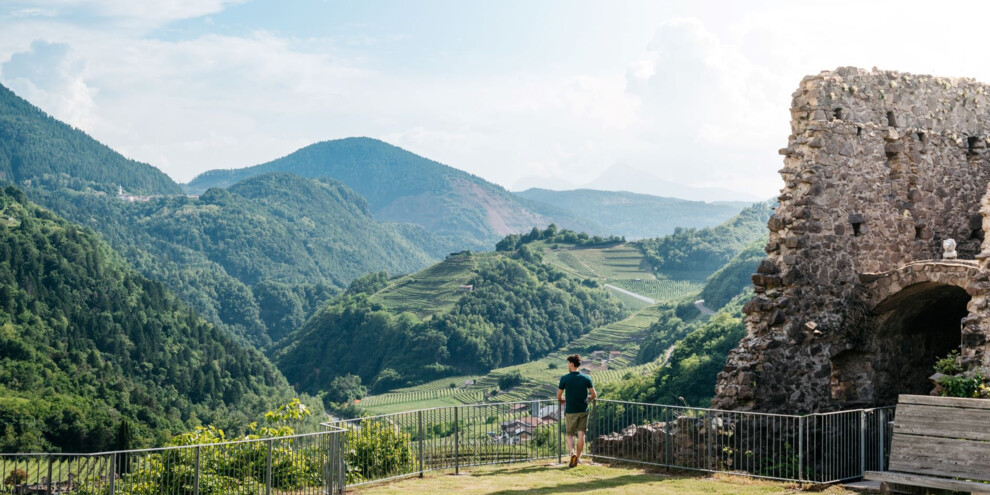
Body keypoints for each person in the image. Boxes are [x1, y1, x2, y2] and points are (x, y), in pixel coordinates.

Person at [556, 354, 596, 468]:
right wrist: (589, 398)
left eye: (568, 363)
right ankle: (578, 458)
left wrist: (562, 400)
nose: (568, 366)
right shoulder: (586, 378)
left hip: (571, 411)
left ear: (572, 364)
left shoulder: (565, 378)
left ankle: (572, 453)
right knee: (581, 434)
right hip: (583, 410)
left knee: (569, 434)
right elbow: (594, 394)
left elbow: (558, 395)